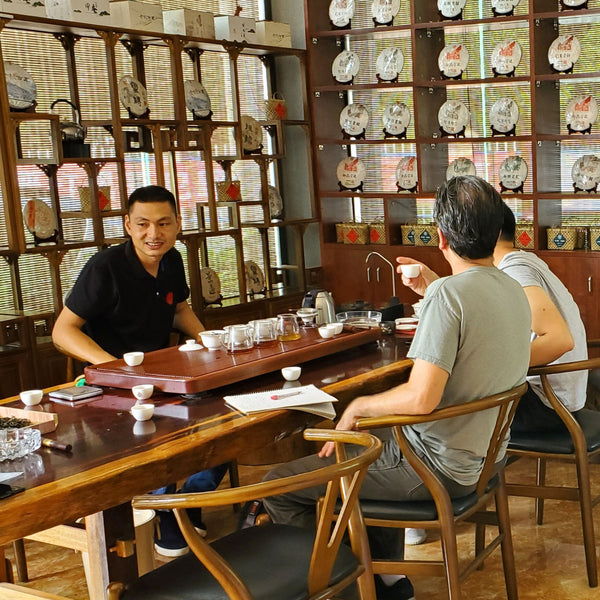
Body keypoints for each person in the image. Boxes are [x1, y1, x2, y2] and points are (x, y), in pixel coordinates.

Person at [263, 175, 532, 600]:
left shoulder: (449, 294)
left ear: (440, 236)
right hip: (485, 461)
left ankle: (337, 590)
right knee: (374, 441)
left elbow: (421, 398)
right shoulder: (513, 288)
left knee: (283, 484)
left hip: (437, 469)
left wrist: (358, 406)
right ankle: (387, 581)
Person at [52, 184, 228, 557]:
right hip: (110, 389)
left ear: (177, 224)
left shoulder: (172, 260)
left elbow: (179, 310)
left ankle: (186, 501)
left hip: (165, 376)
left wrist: (216, 343)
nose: (154, 234)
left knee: (230, 419)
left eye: (164, 223)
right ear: (128, 226)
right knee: (156, 441)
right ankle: (166, 509)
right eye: (144, 224)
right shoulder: (106, 267)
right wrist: (115, 370)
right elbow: (62, 331)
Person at [398, 201, 588, 434]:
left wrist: (492, 367)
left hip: (546, 404)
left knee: (433, 404)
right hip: (555, 398)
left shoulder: (514, 271)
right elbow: (477, 315)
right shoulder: (522, 261)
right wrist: (434, 286)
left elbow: (560, 340)